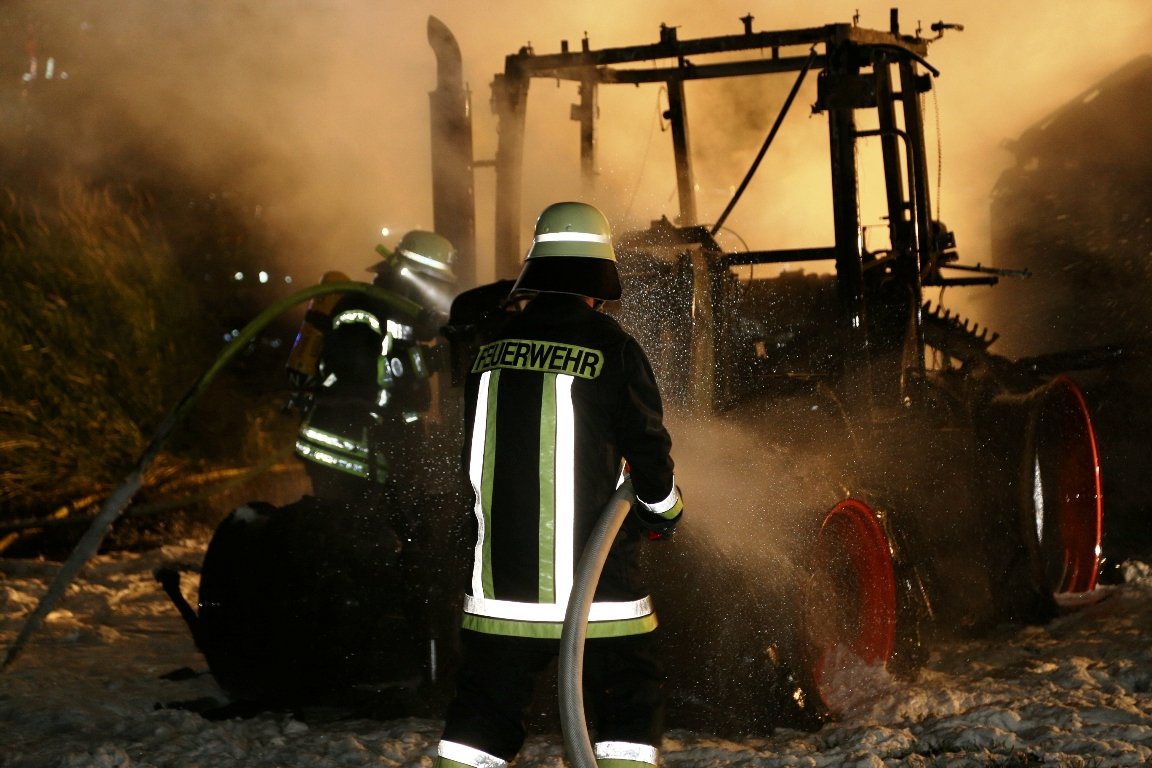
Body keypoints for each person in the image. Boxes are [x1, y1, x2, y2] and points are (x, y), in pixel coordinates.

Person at [434, 202, 684, 768]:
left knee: (481, 720)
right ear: (598, 278)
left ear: (538, 268)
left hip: (500, 591)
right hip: (598, 597)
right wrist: (662, 514)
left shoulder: (489, 350)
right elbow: (649, 460)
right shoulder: (612, 348)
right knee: (629, 710)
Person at [289, 229, 458, 511]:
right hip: (343, 448)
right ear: (410, 276)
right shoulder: (360, 307)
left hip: (370, 449)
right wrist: (429, 360)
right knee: (350, 537)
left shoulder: (395, 313)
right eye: (432, 283)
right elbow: (361, 370)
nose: (434, 293)